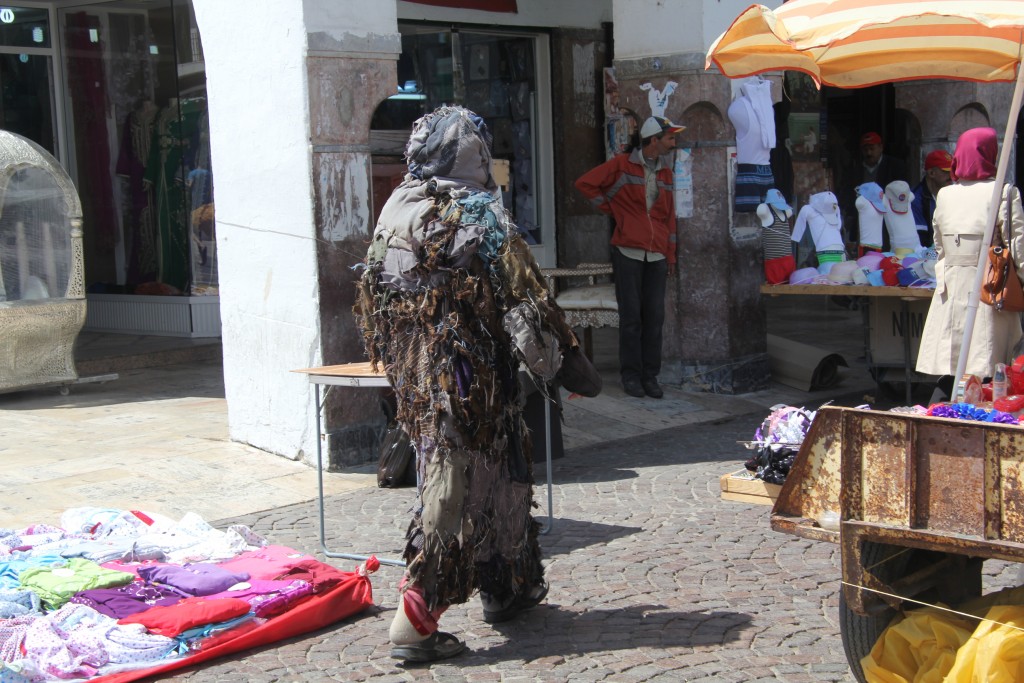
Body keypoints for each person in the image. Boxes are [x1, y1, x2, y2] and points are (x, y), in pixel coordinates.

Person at [356, 105, 598, 663]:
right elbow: (528, 308)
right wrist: (565, 367)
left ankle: (507, 584)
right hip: (473, 382)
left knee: (497, 482)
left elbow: (375, 301)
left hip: (418, 380)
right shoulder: (478, 216)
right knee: (455, 490)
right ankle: (414, 620)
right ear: (476, 157)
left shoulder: (395, 208)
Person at [574, 115, 682, 399]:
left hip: (657, 254)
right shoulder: (622, 165)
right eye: (670, 137)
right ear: (653, 140)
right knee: (632, 317)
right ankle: (631, 376)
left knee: (654, 318)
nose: (674, 142)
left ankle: (651, 376)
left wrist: (670, 255)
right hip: (628, 251)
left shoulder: (667, 173)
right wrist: (613, 209)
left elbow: (670, 218)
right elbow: (585, 184)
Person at [916, 127, 1024, 395]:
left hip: (951, 286)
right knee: (990, 368)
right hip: (990, 288)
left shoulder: (945, 194)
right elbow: (1017, 245)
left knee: (955, 365)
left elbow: (939, 245)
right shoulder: (1004, 192)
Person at [910, 149, 953, 248]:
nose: (951, 176)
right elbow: (921, 239)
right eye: (946, 172)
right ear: (931, 173)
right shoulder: (914, 199)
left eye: (952, 171)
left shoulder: (953, 193)